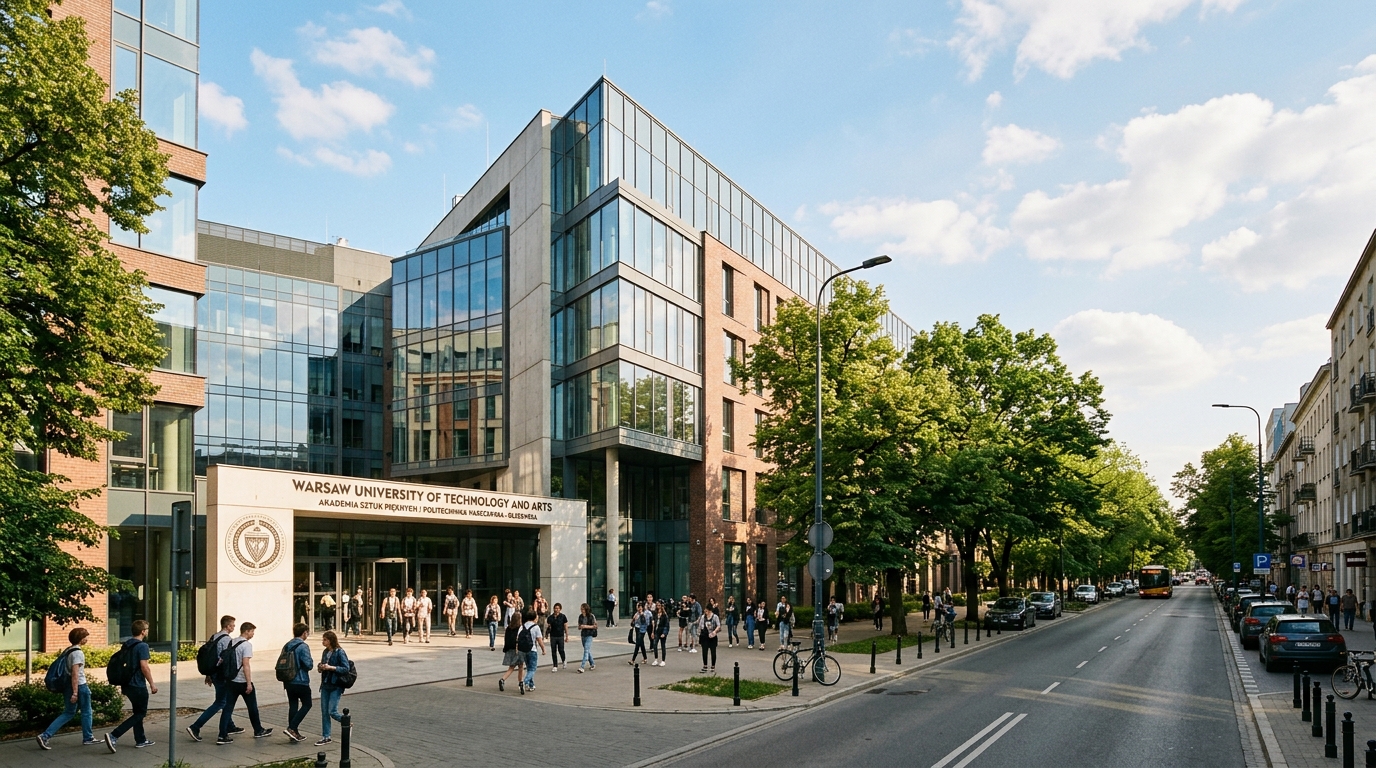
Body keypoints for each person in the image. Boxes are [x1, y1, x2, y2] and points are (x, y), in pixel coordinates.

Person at [36, 627, 96, 749]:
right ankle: (88, 737)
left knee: (68, 712)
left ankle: (45, 736)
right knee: (86, 711)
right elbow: (75, 673)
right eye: (86, 636)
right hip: (79, 685)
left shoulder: (68, 650)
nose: (87, 639)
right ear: (81, 639)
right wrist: (75, 692)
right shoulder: (78, 653)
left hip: (68, 685)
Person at [186, 615, 242, 742]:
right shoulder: (227, 640)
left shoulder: (214, 636)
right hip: (221, 675)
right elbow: (225, 660)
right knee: (221, 702)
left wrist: (209, 674)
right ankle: (195, 726)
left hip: (214, 674)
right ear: (227, 626)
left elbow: (210, 657)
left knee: (224, 700)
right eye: (233, 625)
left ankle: (230, 725)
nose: (234, 627)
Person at [104, 620, 157, 752]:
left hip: (127, 684)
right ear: (143, 631)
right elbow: (144, 667)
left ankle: (141, 740)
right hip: (137, 684)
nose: (148, 631)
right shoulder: (142, 646)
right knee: (140, 713)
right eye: (147, 629)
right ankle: (114, 735)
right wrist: (152, 684)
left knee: (137, 712)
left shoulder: (127, 644)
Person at [216, 622, 271, 745]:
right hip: (242, 681)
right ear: (247, 631)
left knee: (228, 709)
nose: (253, 634)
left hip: (231, 680)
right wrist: (249, 683)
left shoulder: (232, 641)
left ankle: (222, 735)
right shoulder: (246, 645)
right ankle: (258, 730)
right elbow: (246, 665)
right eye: (252, 631)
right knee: (252, 707)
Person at [316, 630, 350, 747]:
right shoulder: (325, 652)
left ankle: (346, 721)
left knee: (332, 711)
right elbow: (322, 664)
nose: (323, 642)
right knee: (324, 712)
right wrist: (321, 667)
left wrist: (332, 668)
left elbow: (346, 668)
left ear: (331, 640)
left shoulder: (340, 652)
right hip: (325, 685)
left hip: (336, 685)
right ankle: (326, 736)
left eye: (325, 639)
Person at [282, 622, 314, 743]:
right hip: (300, 680)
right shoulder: (303, 646)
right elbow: (308, 664)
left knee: (293, 705)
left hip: (288, 680)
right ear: (304, 633)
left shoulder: (287, 645)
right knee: (307, 704)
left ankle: (293, 733)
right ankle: (292, 728)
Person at [519, 610, 546, 691]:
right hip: (532, 649)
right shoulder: (536, 627)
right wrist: (543, 649)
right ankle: (524, 682)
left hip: (523, 650)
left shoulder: (522, 626)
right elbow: (539, 640)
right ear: (535, 617)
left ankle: (531, 685)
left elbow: (518, 638)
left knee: (528, 668)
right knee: (532, 669)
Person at [499, 614, 524, 693]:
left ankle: (503, 679)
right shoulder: (520, 628)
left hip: (510, 649)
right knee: (521, 666)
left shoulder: (508, 628)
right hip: (518, 649)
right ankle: (520, 682)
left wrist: (505, 649)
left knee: (511, 667)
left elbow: (506, 639)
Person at [699, 605, 721, 674]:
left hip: (713, 636)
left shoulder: (715, 617)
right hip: (705, 636)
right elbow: (700, 626)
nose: (706, 612)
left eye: (707, 611)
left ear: (710, 610)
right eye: (705, 611)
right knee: (704, 651)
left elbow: (718, 625)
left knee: (713, 651)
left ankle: (713, 666)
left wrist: (714, 631)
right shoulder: (703, 617)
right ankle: (705, 665)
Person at [547, 603, 569, 672]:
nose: (556, 610)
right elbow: (548, 626)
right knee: (553, 651)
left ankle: (564, 660)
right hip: (553, 635)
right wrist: (546, 633)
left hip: (560, 635)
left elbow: (565, 626)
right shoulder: (550, 617)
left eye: (558, 608)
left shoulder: (563, 617)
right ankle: (555, 665)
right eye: (555, 608)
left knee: (561, 650)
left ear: (560, 609)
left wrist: (567, 636)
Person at [577, 603, 598, 672]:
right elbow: (579, 626)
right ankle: (592, 664)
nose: (581, 610)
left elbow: (595, 626)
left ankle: (582, 666)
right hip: (583, 634)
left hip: (589, 634)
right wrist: (580, 627)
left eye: (583, 609)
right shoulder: (580, 616)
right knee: (587, 650)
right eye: (581, 609)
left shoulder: (591, 616)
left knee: (586, 650)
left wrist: (585, 626)